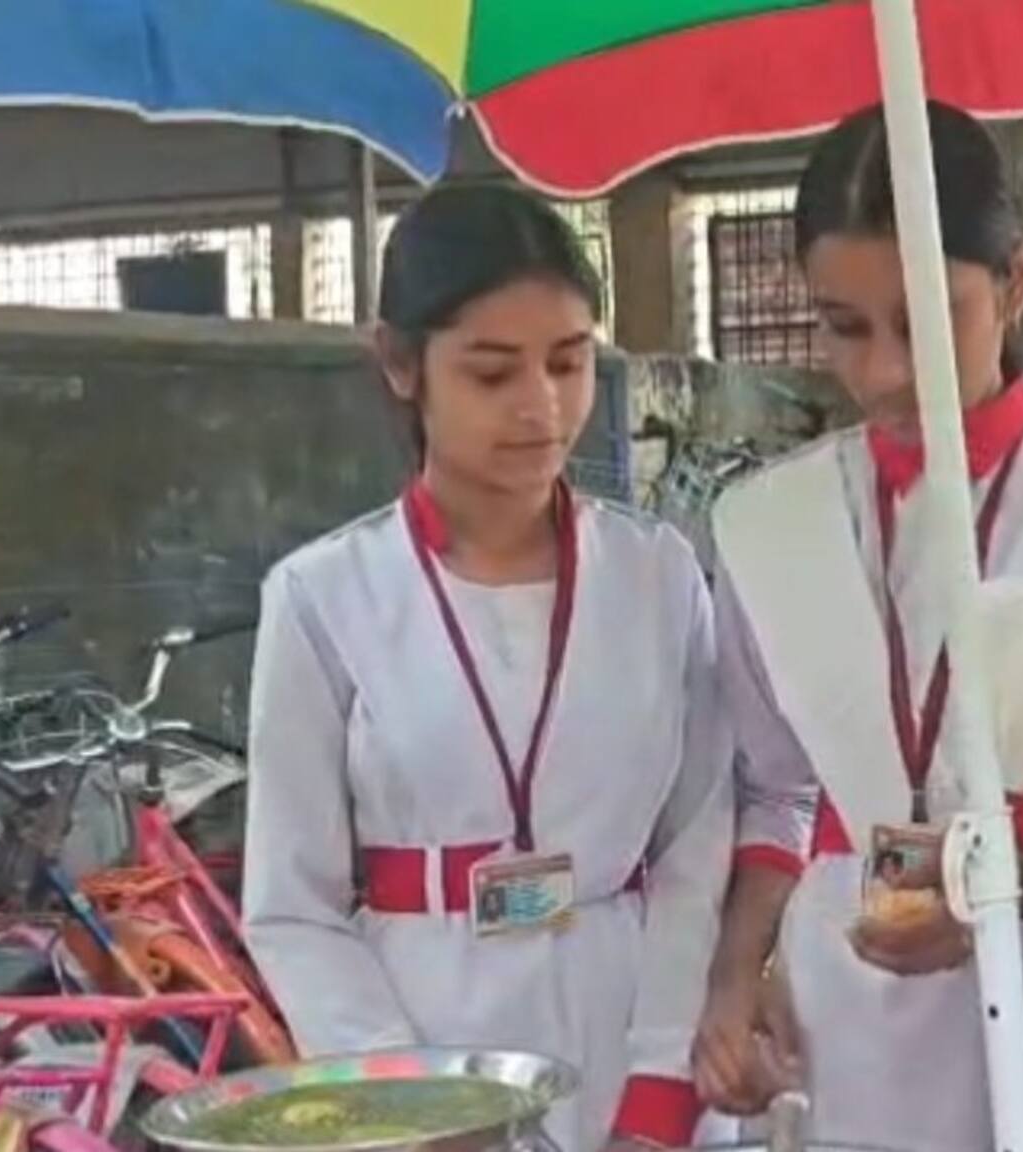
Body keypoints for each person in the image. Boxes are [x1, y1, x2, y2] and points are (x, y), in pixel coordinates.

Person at [691, 102, 1023, 1152]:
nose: (884, 371)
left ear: (1013, 282)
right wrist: (735, 977)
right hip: (844, 1016)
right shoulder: (762, 524)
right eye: (844, 327)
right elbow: (772, 791)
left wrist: (1008, 880)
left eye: (927, 320)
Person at [241, 185, 733, 1152]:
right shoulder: (324, 596)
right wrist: (414, 1114)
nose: (542, 407)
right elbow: (292, 907)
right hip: (426, 1029)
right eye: (493, 372)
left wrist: (660, 1080)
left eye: (569, 361)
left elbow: (698, 841)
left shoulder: (657, 574)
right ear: (399, 363)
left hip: (628, 1023)